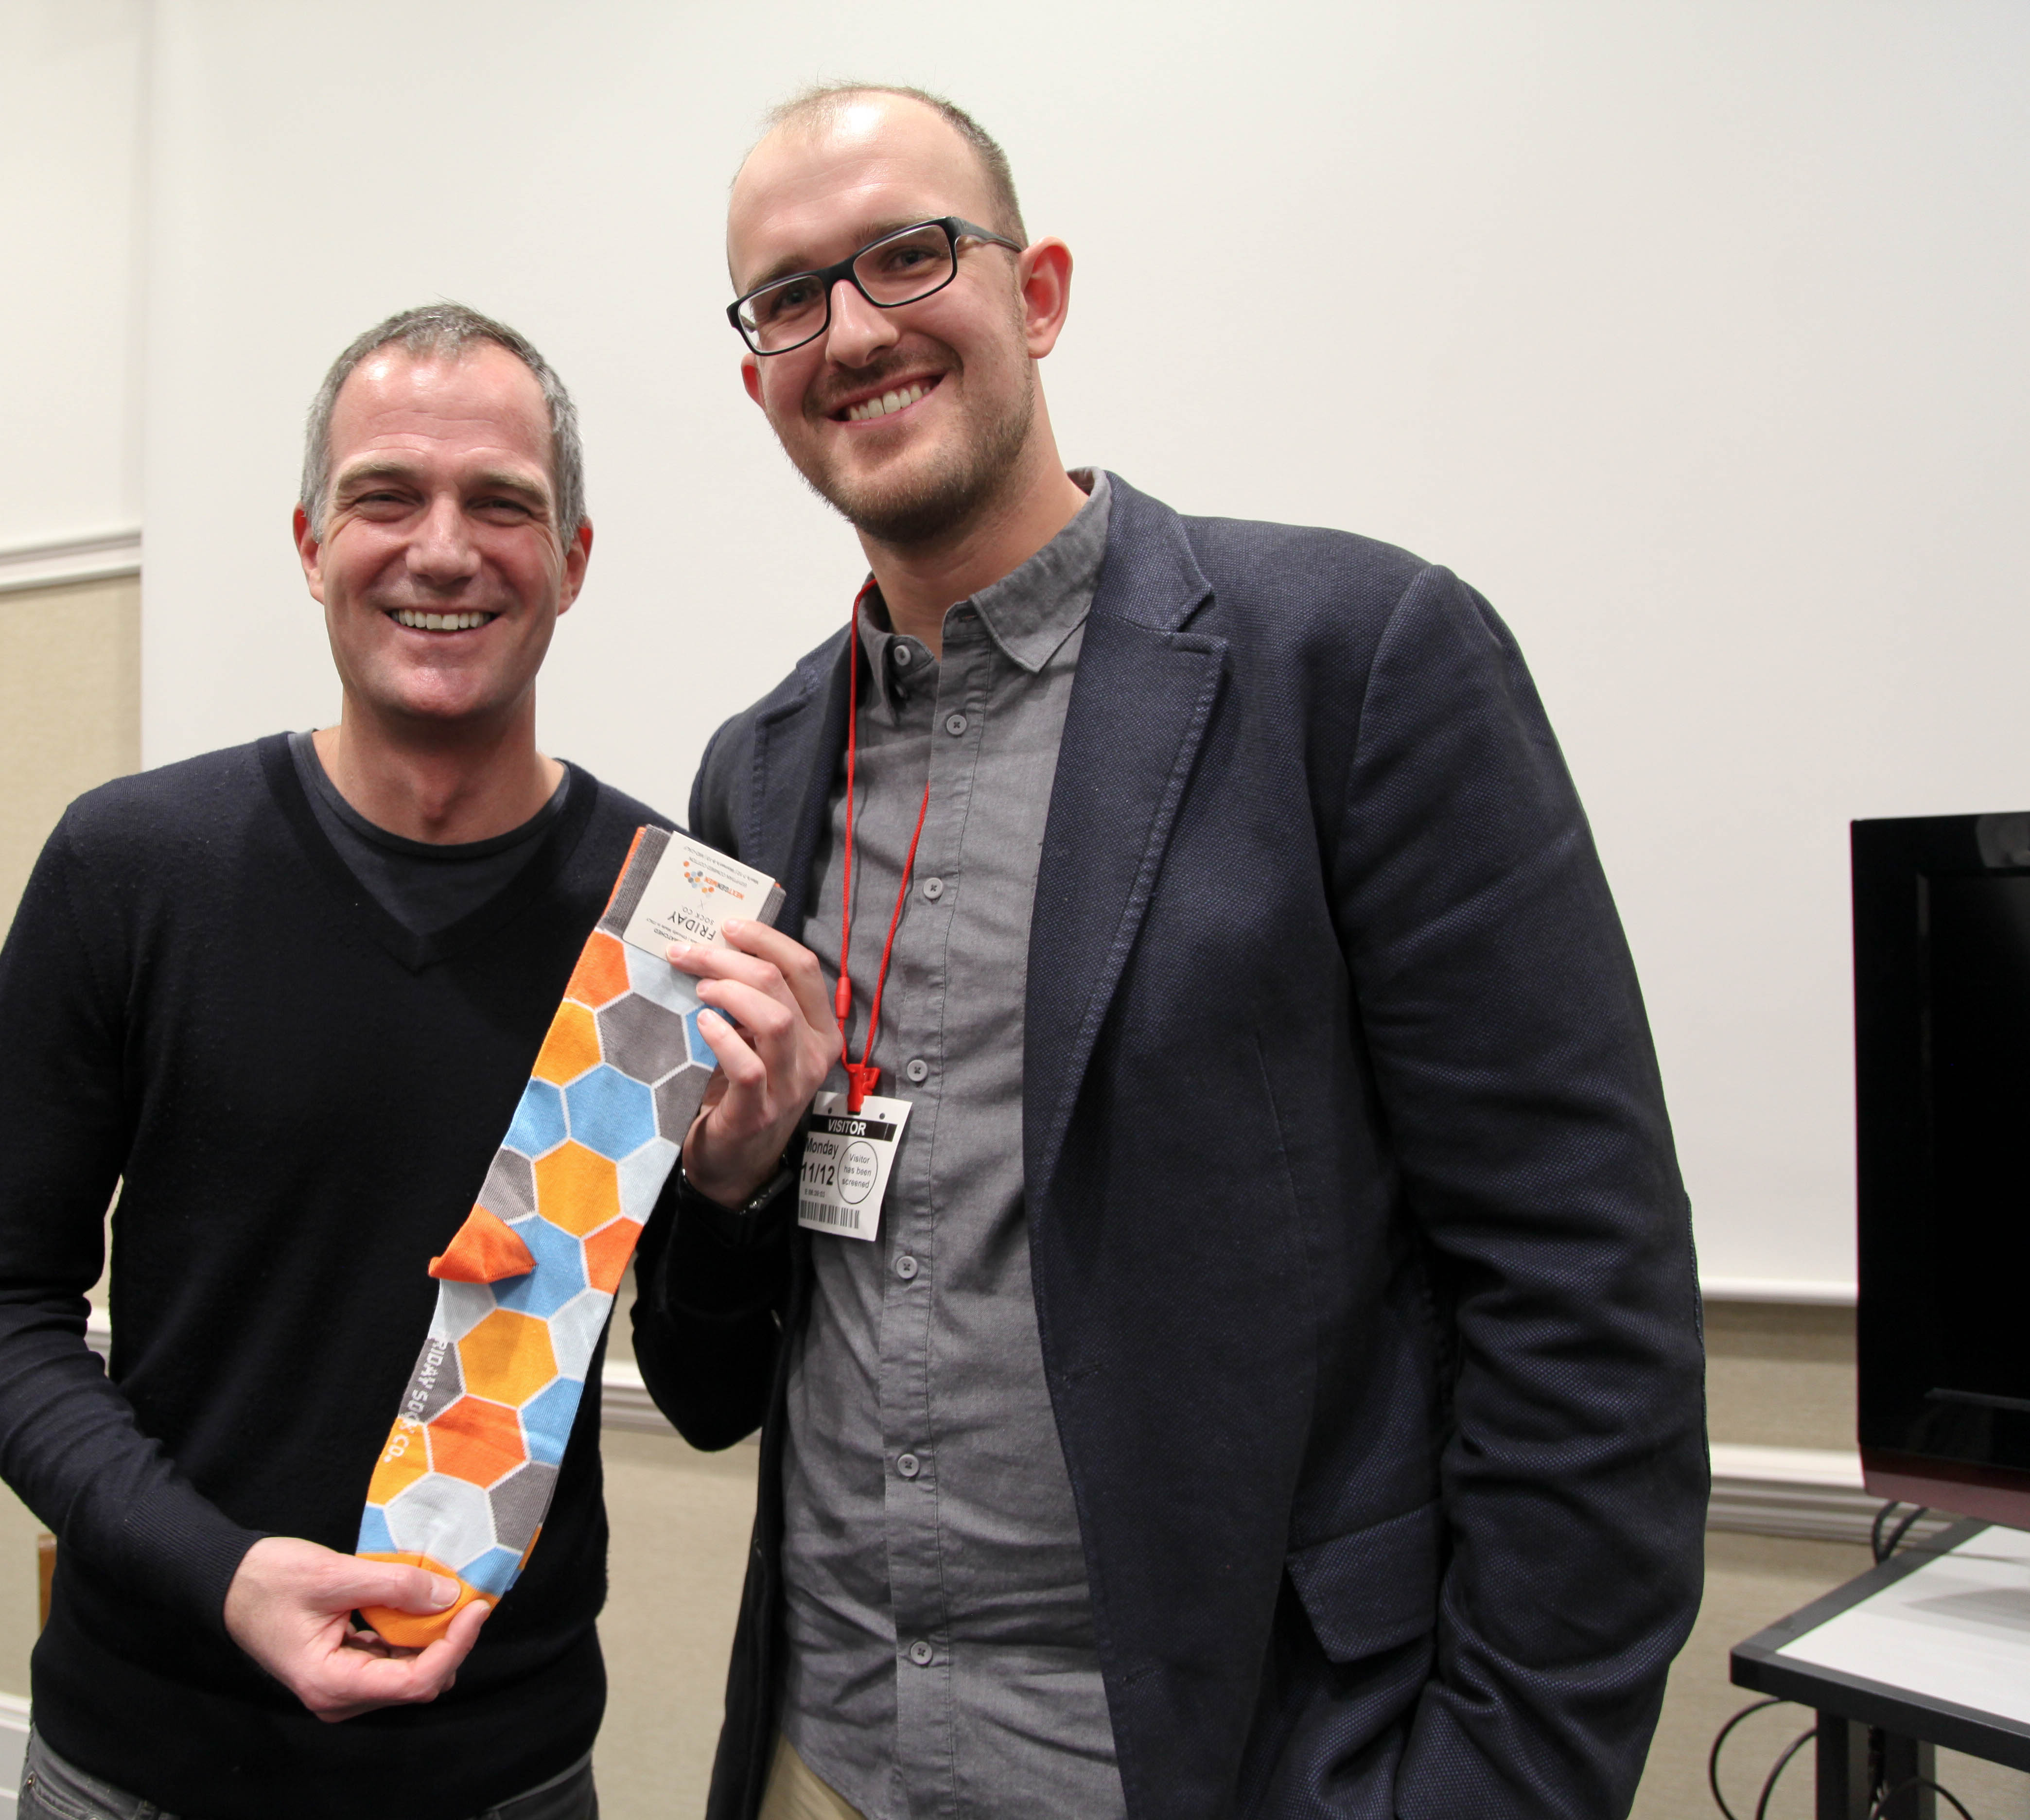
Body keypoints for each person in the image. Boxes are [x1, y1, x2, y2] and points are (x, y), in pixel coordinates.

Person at [631, 86, 1709, 1820]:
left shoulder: (1353, 664)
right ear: (756, 369)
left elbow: (1587, 1302)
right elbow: (700, 1385)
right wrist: (738, 1184)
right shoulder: (757, 775)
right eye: (787, 299)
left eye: (911, 256)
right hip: (832, 1753)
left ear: (1039, 292)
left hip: (1228, 1764)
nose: (853, 331)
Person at [0, 303, 795, 1820]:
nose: (443, 550)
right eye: (385, 496)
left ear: (574, 560)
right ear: (310, 542)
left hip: (502, 1769)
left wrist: (730, 1191)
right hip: (146, 1754)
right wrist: (223, 1574)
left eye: (503, 504)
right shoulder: (133, 866)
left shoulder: (670, 926)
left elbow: (713, 1401)